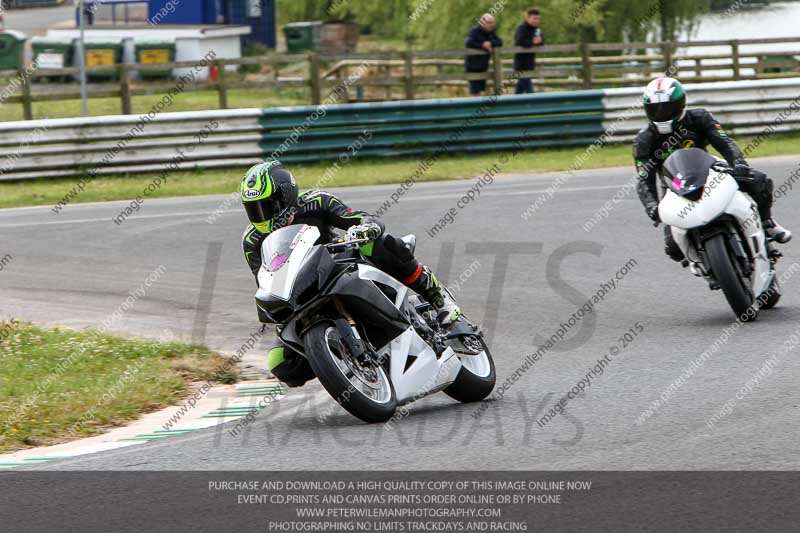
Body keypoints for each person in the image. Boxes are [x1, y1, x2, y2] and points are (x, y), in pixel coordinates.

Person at [240, 160, 461, 387]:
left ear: (285, 195)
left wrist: (366, 226)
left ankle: (437, 297)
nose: (261, 215)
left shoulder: (316, 201)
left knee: (377, 243)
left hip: (339, 266)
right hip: (302, 292)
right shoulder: (252, 241)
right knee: (279, 363)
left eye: (266, 206)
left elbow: (357, 217)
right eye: (253, 209)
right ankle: (343, 359)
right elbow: (265, 279)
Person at [634, 77, 791, 262]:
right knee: (673, 249)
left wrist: (739, 163)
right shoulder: (644, 140)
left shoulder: (700, 117)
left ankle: (767, 222)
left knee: (759, 181)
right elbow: (644, 178)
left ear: (680, 104)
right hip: (674, 186)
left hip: (711, 171)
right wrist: (651, 206)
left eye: (666, 108)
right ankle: (702, 261)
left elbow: (725, 142)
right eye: (655, 109)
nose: (661, 114)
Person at [464, 13, 503, 96]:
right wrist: (482, 45)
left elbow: (499, 42)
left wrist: (490, 43)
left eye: (493, 22)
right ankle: (473, 107)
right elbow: (468, 42)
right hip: (473, 66)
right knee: (474, 92)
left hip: (483, 66)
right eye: (490, 22)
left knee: (481, 90)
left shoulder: (491, 32)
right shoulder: (474, 31)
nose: (492, 25)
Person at [513, 8, 544, 94]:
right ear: (528, 18)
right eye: (534, 18)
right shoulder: (521, 28)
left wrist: (540, 41)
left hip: (530, 63)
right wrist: (532, 42)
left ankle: (515, 104)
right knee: (527, 87)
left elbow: (541, 41)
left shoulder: (537, 30)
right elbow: (519, 41)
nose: (536, 21)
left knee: (521, 88)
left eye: (538, 18)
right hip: (520, 64)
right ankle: (532, 103)